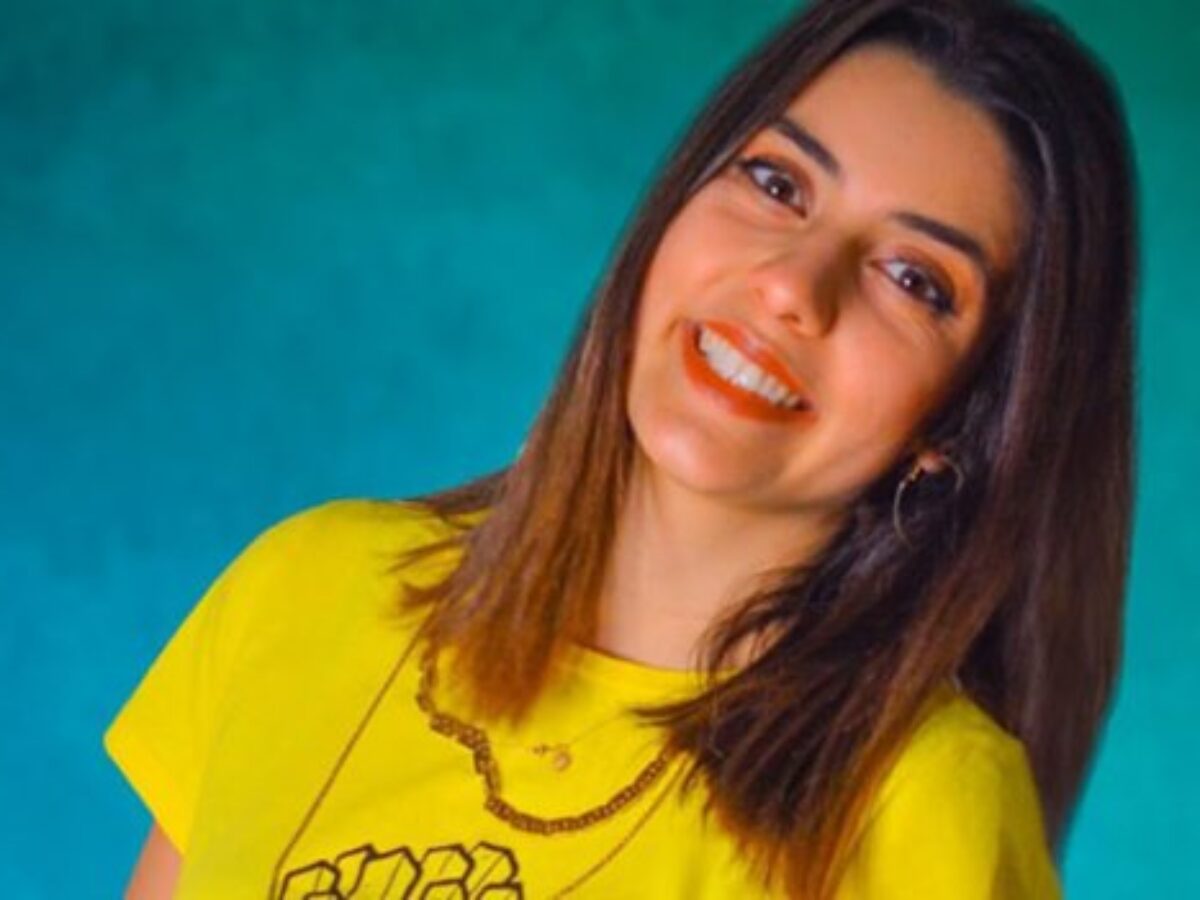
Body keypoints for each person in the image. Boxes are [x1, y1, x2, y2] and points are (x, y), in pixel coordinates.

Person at [105, 0, 1138, 896]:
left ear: (962, 425)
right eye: (777, 183)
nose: (792, 284)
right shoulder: (305, 592)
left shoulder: (923, 802)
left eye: (913, 279)